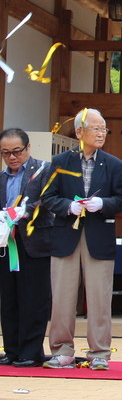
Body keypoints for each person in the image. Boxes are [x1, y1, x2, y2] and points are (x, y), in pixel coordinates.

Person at [42, 109, 122, 370]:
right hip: (66, 235)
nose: (101, 133)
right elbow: (47, 197)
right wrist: (69, 206)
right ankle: (62, 350)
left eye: (104, 128)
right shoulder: (60, 161)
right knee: (62, 298)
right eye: (96, 128)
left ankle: (100, 353)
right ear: (80, 132)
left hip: (98, 236)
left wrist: (102, 203)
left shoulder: (112, 163)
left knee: (100, 298)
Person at [0, 128, 53, 367]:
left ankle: (31, 352)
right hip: (5, 243)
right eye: (5, 153)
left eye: (16, 151)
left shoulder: (42, 170)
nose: (12, 157)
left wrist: (27, 211)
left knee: (33, 298)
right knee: (8, 299)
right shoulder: (2, 178)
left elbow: (49, 199)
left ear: (28, 148)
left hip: (33, 242)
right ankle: (11, 350)